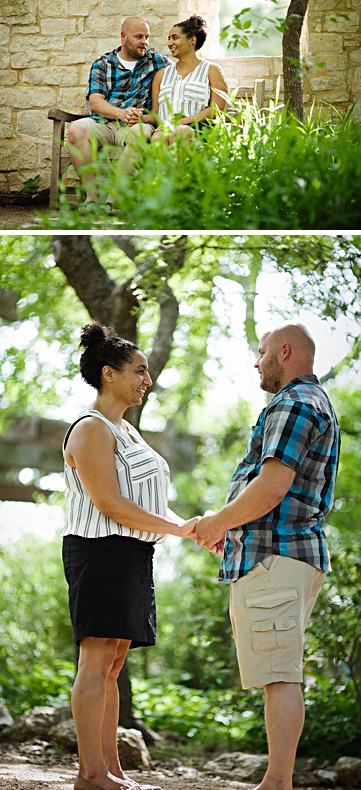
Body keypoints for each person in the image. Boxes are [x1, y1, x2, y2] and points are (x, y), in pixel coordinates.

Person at [194, 323, 340, 790]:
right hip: (279, 555)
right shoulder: (309, 403)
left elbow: (273, 486)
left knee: (280, 676)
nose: (256, 363)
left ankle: (277, 783)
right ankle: (277, 781)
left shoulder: (293, 403)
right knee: (279, 672)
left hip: (275, 557)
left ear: (284, 351)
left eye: (260, 353)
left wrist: (218, 522)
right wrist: (231, 526)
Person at [62, 323, 197, 790]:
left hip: (132, 554)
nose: (147, 379)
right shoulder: (91, 429)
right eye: (139, 370)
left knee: (115, 664)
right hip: (99, 551)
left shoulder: (129, 433)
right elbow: (110, 503)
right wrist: (177, 528)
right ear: (109, 374)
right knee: (96, 660)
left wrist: (194, 529)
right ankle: (90, 774)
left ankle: (112, 769)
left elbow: (150, 506)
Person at [67, 17, 170, 205]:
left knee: (140, 132)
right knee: (76, 129)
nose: (144, 42)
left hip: (136, 125)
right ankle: (92, 199)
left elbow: (183, 73)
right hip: (103, 123)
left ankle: (112, 201)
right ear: (123, 37)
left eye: (147, 37)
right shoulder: (103, 64)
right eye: (139, 37)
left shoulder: (158, 62)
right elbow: (95, 102)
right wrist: (120, 113)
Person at [150, 15, 228, 145]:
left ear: (192, 40)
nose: (170, 43)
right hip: (165, 130)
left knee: (180, 133)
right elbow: (155, 113)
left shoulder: (212, 70)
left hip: (199, 129)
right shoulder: (162, 75)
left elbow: (217, 109)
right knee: (159, 138)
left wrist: (183, 121)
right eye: (169, 39)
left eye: (175, 38)